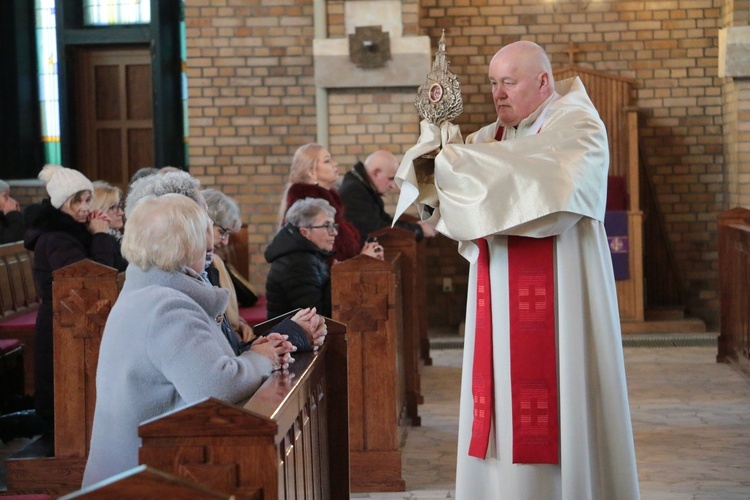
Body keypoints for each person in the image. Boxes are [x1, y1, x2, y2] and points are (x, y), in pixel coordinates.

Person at [393, 41, 640, 499]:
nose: (498, 94)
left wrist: (462, 163)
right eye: (492, 83)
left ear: (543, 81)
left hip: (564, 297)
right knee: (501, 399)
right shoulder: (491, 139)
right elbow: (446, 193)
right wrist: (436, 147)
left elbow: (553, 187)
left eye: (508, 82)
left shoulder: (579, 125)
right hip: (499, 297)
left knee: (563, 394)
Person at [82, 193, 296, 487]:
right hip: (144, 478)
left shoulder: (148, 289)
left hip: (148, 464)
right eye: (205, 246)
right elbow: (216, 386)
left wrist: (252, 351)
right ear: (184, 246)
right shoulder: (167, 307)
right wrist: (261, 359)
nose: (211, 253)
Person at [23, 164, 119, 432]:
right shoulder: (56, 239)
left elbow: (115, 267)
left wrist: (101, 235)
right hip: (63, 325)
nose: (85, 207)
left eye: (88, 199)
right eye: (77, 201)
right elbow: (92, 282)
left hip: (73, 322)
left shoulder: (75, 232)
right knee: (64, 396)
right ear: (61, 203)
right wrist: (100, 235)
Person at [202, 188, 326, 353]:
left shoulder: (214, 263)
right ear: (204, 225)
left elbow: (225, 312)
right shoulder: (204, 267)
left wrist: (241, 325)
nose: (225, 242)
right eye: (222, 232)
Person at [279, 143, 382, 264]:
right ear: (311, 172)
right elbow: (321, 266)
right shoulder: (308, 209)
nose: (335, 164)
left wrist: (362, 255)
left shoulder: (329, 204)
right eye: (327, 161)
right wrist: (362, 259)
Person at [339, 149, 437, 244]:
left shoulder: (364, 186)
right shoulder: (354, 191)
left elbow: (385, 221)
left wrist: (415, 226)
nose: (393, 185)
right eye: (390, 178)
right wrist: (417, 229)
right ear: (376, 172)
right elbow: (376, 230)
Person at [266, 198, 336, 318]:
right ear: (305, 232)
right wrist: (337, 277)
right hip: (289, 336)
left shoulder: (306, 255)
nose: (334, 232)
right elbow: (316, 317)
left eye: (333, 226)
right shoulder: (299, 263)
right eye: (327, 226)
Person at [91, 181, 128, 271]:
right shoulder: (98, 241)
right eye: (114, 208)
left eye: (120, 206)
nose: (121, 212)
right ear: (98, 210)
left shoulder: (117, 238)